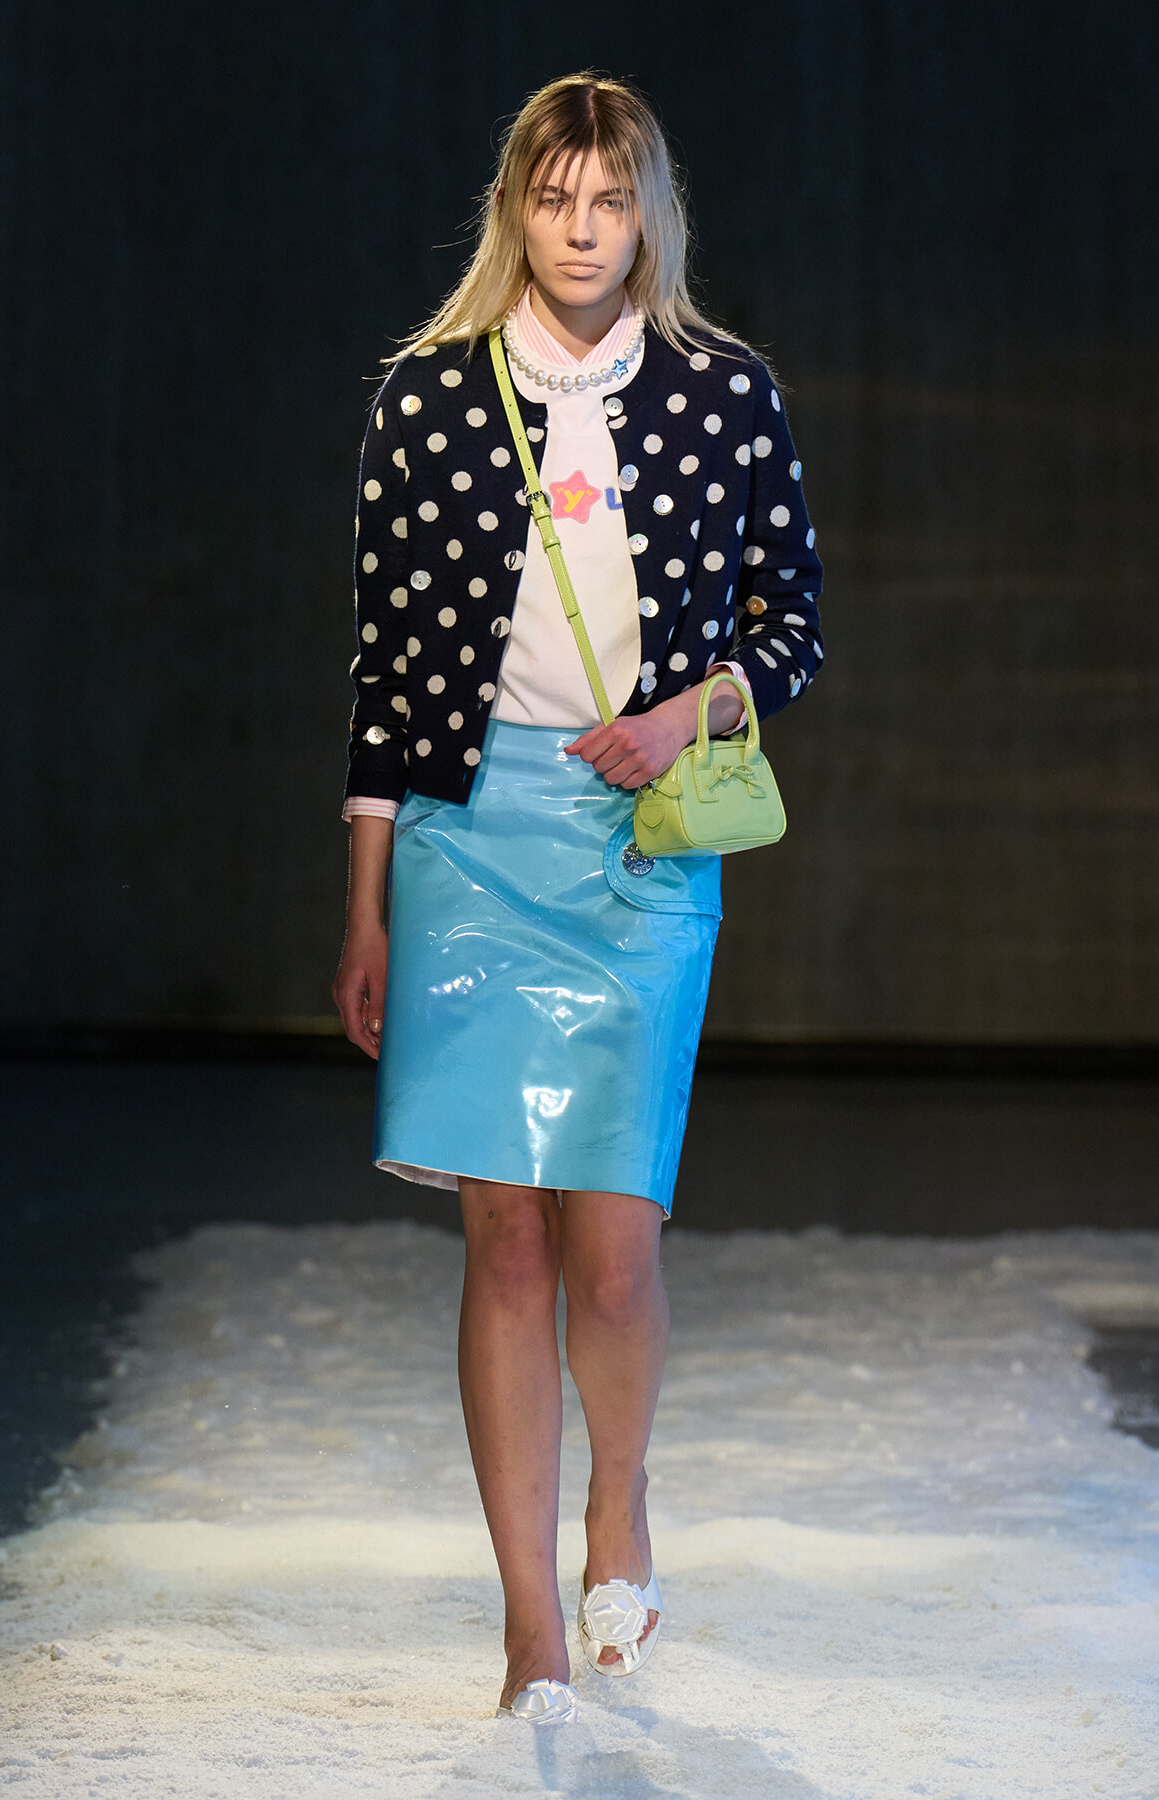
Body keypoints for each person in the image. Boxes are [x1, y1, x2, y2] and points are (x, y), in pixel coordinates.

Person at [332, 71, 823, 1724]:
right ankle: (528, 1623)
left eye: (612, 202)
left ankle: (620, 1500)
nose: (584, 230)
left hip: (640, 843)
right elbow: (388, 676)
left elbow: (795, 622)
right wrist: (369, 903)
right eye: (557, 200)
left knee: (612, 1242)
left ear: (648, 214)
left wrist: (690, 713)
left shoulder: (724, 391)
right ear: (517, 209)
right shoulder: (425, 398)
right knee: (504, 1238)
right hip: (472, 839)